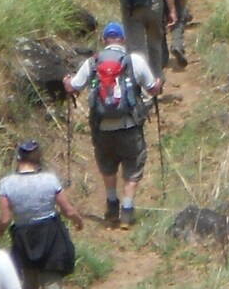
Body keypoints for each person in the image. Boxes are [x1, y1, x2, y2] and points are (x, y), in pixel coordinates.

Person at [63, 22, 163, 229]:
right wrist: (159, 84)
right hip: (129, 126)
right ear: (123, 40)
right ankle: (127, 211)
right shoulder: (134, 61)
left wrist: (67, 82)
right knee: (133, 167)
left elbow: (73, 87)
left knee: (107, 165)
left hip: (102, 128)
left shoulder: (93, 62)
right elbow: (153, 90)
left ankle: (111, 207)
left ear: (103, 41)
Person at [0, 140, 83, 289]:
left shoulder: (6, 184)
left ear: (18, 159)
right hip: (51, 234)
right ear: (38, 160)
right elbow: (67, 210)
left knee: (29, 280)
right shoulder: (49, 180)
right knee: (51, 281)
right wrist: (78, 220)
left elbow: (5, 219)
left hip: (23, 237)